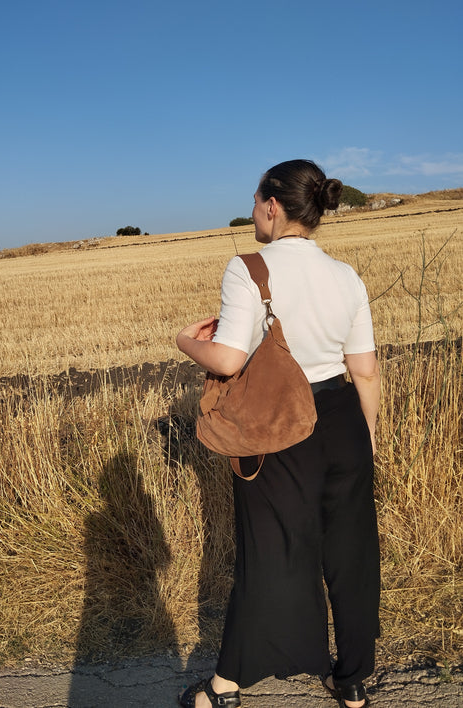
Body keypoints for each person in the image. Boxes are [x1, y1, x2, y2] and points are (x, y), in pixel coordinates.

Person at [176, 160, 380, 708]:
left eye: (254, 200)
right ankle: (353, 679)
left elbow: (228, 358)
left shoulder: (249, 268)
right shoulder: (346, 275)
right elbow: (364, 370)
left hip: (281, 425)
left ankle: (224, 686)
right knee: (353, 554)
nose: (251, 211)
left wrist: (184, 341)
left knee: (272, 553)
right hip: (346, 423)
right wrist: (369, 440)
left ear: (272, 205)